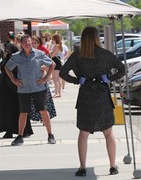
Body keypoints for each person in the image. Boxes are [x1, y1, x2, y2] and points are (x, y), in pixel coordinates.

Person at [59, 26, 125, 176]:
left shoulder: (77, 55)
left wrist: (77, 81)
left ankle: (82, 167)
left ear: (82, 38)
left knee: (83, 133)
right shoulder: (105, 55)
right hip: (102, 95)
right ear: (96, 37)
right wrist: (108, 79)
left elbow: (62, 72)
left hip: (85, 96)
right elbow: (122, 69)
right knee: (108, 133)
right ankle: (113, 165)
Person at [5, 34, 57, 146]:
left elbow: (52, 64)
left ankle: (50, 135)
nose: (27, 43)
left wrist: (46, 77)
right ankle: (20, 136)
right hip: (23, 89)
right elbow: (7, 68)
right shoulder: (16, 56)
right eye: (25, 42)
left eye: (29, 41)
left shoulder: (39, 54)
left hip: (38, 88)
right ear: (21, 44)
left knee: (43, 111)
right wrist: (13, 79)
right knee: (23, 112)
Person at [0, 43, 33, 138]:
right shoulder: (7, 59)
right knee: (7, 110)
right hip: (5, 89)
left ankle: (23, 130)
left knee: (19, 110)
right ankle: (9, 130)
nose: (6, 52)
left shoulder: (17, 59)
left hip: (16, 88)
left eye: (8, 51)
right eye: (5, 51)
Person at [50, 33, 63, 98]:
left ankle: (57, 92)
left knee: (55, 78)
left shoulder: (56, 46)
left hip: (55, 61)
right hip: (59, 61)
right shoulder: (60, 45)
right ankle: (59, 93)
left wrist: (50, 52)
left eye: (53, 39)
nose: (52, 40)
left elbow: (52, 54)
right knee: (58, 78)